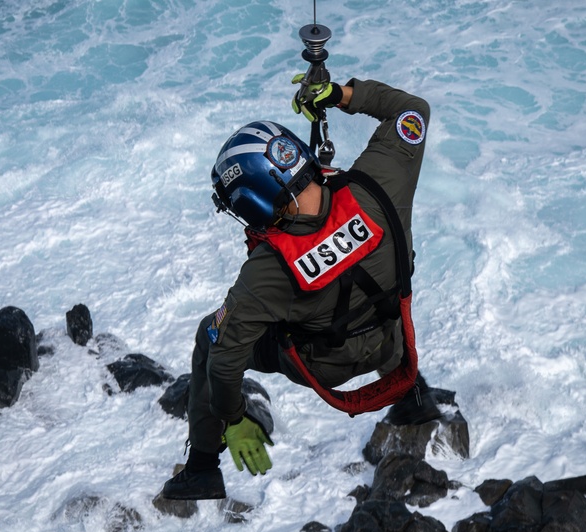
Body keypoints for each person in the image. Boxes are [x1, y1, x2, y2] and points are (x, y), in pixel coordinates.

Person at [161, 74, 440, 501]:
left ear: (253, 202)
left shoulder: (267, 271)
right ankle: (413, 395)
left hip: (328, 365)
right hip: (389, 336)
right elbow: (413, 110)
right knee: (378, 296)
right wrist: (341, 95)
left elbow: (225, 361)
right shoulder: (380, 182)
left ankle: (202, 469)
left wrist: (234, 417)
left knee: (208, 334)